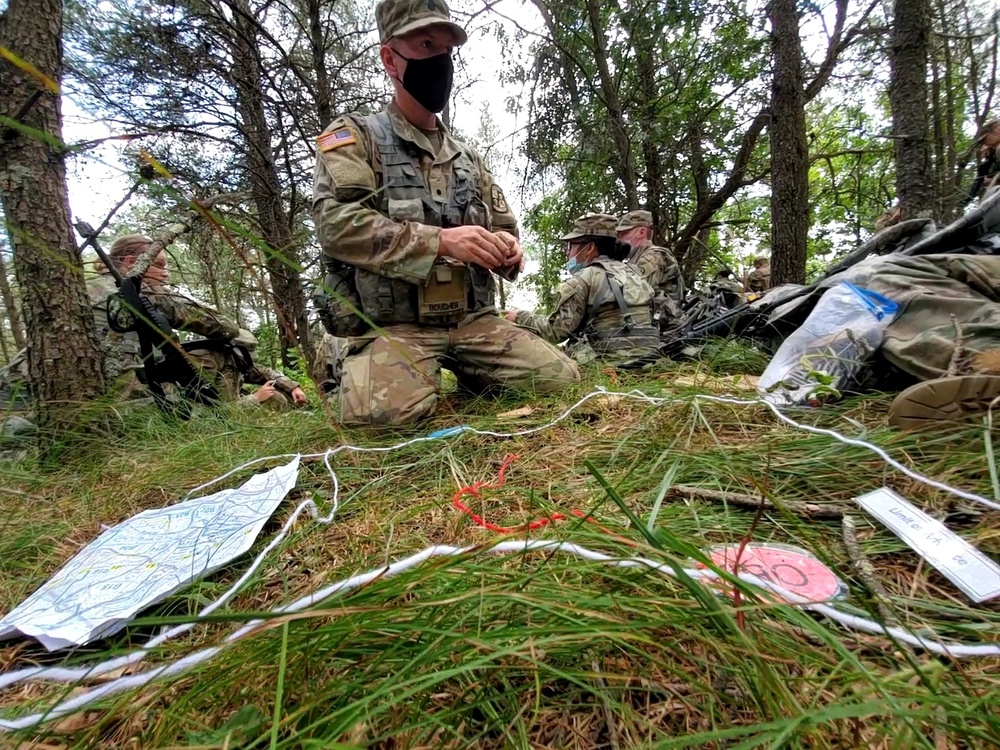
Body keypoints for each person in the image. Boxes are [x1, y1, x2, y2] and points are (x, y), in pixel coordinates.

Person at [310, 0, 579, 426]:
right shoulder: (354, 136)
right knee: (380, 418)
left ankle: (475, 374)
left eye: (447, 50)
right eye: (424, 44)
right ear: (390, 59)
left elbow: (505, 227)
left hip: (472, 320)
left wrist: (509, 249)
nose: (439, 61)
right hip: (398, 326)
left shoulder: (468, 157)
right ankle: (351, 362)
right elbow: (336, 224)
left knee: (560, 380)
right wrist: (439, 241)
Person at [0, 233, 240, 410]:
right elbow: (222, 327)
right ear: (129, 262)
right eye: (158, 265)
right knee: (222, 356)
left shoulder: (78, 290)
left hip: (18, 394)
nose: (166, 274)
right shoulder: (141, 291)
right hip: (95, 401)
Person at [504, 213, 660, 366]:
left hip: (609, 362)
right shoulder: (634, 272)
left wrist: (519, 317)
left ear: (589, 248)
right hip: (649, 357)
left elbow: (555, 331)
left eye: (571, 246)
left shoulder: (583, 279)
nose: (567, 252)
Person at [185, 329, 309, 411]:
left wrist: (293, 388)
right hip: (214, 423)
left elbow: (265, 373)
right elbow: (207, 411)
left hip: (234, 408)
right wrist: (255, 398)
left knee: (276, 396)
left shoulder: (235, 360)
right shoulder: (206, 363)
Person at [615, 210, 684, 330]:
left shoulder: (654, 255)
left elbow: (634, 290)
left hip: (669, 329)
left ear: (641, 232)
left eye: (624, 234)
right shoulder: (636, 259)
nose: (619, 239)